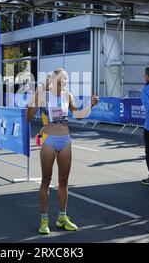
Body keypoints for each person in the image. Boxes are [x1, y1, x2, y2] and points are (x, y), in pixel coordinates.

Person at [26, 68, 99, 235]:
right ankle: (44, 220)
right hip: (49, 140)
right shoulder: (43, 96)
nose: (62, 82)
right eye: (59, 79)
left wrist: (91, 105)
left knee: (64, 182)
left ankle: (62, 217)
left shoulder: (68, 95)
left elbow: (78, 115)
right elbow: (28, 117)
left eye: (65, 79)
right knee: (46, 181)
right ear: (52, 81)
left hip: (65, 140)